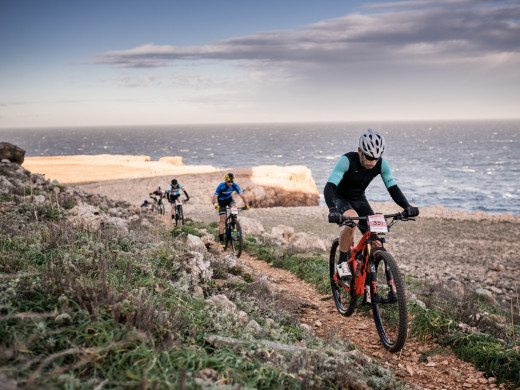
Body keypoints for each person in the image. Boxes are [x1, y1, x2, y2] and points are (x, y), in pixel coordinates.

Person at [324, 129, 419, 280]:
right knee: (353, 221)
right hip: (340, 197)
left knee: (376, 242)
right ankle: (342, 261)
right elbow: (329, 187)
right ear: (360, 151)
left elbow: (393, 188)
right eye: (369, 157)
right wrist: (332, 210)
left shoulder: (381, 165)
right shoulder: (346, 160)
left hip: (359, 199)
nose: (373, 162)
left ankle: (368, 283)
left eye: (376, 158)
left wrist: (406, 207)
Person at [212, 172, 250, 247]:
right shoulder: (221, 186)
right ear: (225, 181)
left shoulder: (235, 186)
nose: (230, 183)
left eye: (232, 181)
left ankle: (234, 222)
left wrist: (247, 205)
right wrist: (215, 204)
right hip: (221, 201)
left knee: (234, 207)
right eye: (229, 182)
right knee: (223, 219)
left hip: (229, 199)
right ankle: (221, 239)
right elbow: (214, 197)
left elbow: (242, 196)